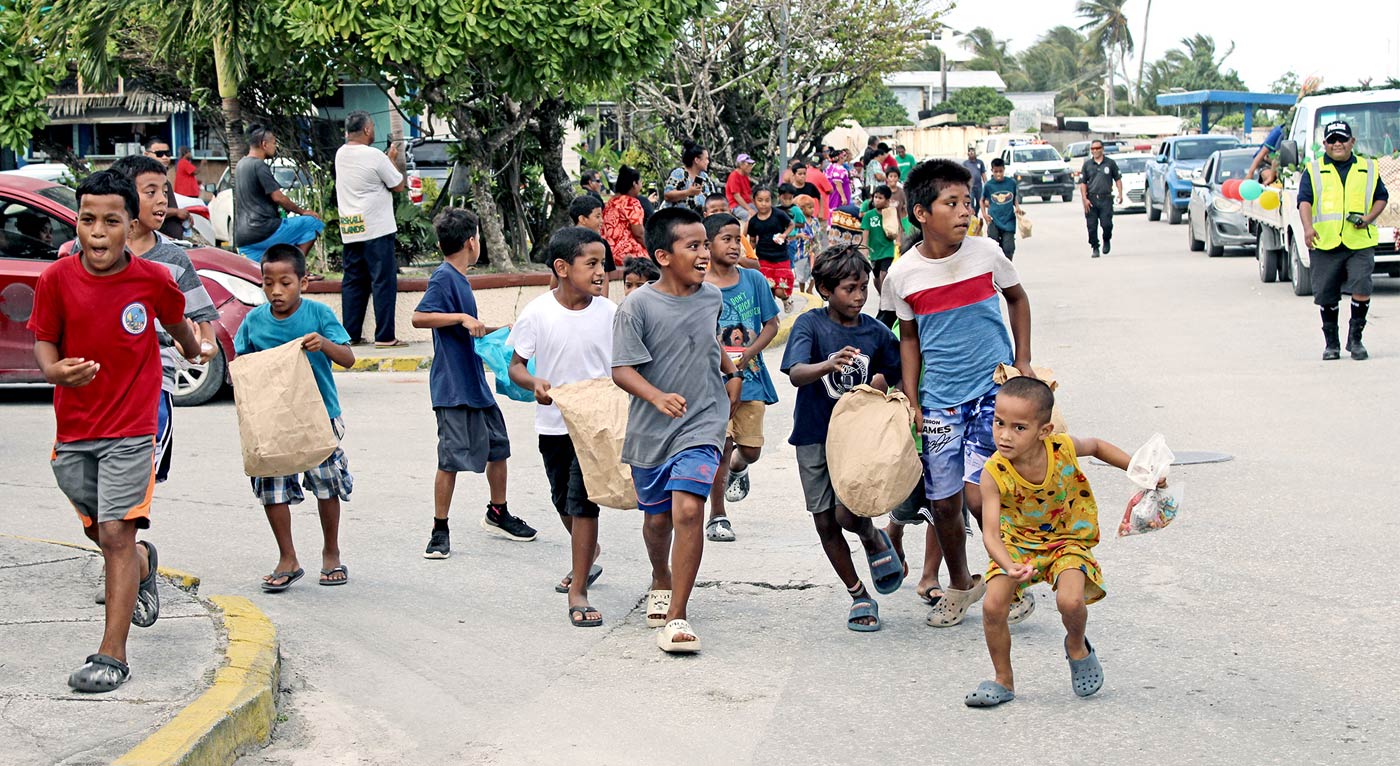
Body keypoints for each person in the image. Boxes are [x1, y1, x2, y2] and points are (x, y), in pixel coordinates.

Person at [28, 170, 201, 692]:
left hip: (132, 424)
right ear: (75, 224)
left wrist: (196, 351)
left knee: (113, 532)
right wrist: (55, 371)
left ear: (132, 226)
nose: (98, 232)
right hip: (75, 428)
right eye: (87, 220)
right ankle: (144, 563)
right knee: (103, 533)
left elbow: (177, 323)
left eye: (110, 221)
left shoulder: (152, 279)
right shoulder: (55, 279)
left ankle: (112, 656)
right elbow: (44, 341)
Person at [879, 159, 1035, 629]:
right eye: (952, 203)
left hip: (993, 393)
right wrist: (911, 397)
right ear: (921, 213)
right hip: (940, 402)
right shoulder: (903, 275)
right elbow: (907, 338)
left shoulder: (987, 253)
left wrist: (1023, 361)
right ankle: (961, 582)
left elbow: (1018, 299)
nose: (964, 212)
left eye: (967, 202)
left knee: (978, 495)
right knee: (942, 501)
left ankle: (1007, 579)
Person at [611, 207, 744, 654]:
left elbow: (709, 341)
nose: (704, 253)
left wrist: (732, 375)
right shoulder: (636, 306)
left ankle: (678, 615)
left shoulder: (711, 297)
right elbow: (621, 369)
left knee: (689, 511)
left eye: (705, 244)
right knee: (656, 521)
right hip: (652, 428)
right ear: (664, 256)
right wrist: (655, 396)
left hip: (703, 421)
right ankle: (659, 575)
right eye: (694, 246)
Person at [964, 377, 1144, 707]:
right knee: (992, 606)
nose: (1004, 435)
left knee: (1071, 602)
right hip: (1017, 544)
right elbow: (990, 533)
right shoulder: (994, 472)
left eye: (1019, 428)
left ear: (1043, 431)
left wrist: (1138, 468)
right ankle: (1003, 679)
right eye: (999, 422)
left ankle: (1076, 646)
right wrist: (1007, 564)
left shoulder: (1060, 447)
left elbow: (1098, 446)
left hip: (1065, 539)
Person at [780, 244, 907, 631]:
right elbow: (796, 372)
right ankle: (858, 594)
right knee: (824, 520)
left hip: (858, 440)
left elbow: (899, 370)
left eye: (864, 287)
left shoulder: (876, 332)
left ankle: (871, 537)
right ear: (823, 288)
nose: (859, 296)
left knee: (849, 511)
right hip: (814, 435)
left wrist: (899, 405)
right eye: (849, 288)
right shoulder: (810, 325)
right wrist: (827, 364)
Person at [412, 209, 538, 557]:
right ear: (472, 242)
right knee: (450, 459)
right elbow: (419, 317)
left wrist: (501, 329)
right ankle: (439, 529)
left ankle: (498, 512)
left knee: (498, 448)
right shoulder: (444, 277)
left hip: (474, 384)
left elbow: (470, 332)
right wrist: (462, 316)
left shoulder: (459, 279)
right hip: (452, 387)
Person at [508, 227, 616, 627]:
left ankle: (579, 588)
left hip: (596, 426)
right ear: (563, 268)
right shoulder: (538, 312)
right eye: (592, 264)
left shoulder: (609, 313)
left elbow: (625, 366)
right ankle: (588, 553)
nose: (601, 272)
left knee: (582, 500)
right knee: (561, 500)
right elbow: (516, 366)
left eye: (603, 264)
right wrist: (534, 382)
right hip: (553, 422)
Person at [235, 244, 355, 591]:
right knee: (271, 487)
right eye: (268, 282)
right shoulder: (254, 322)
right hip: (271, 419)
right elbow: (244, 368)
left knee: (326, 483)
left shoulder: (318, 315)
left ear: (303, 282)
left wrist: (324, 345)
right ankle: (287, 556)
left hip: (318, 416)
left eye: (285, 283)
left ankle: (331, 552)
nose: (275, 291)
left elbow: (348, 358)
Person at [109, 155, 219, 485]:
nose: (162, 200)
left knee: (141, 479)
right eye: (151, 191)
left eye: (165, 191)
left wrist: (206, 344)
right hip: (103, 384)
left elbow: (202, 317)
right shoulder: (93, 252)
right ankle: (129, 539)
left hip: (155, 384)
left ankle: (129, 536)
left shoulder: (173, 257)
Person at [703, 213, 781, 543]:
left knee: (749, 449)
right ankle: (717, 516)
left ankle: (739, 467)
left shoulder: (754, 281)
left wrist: (748, 354)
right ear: (707, 246)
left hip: (750, 379)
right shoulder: (699, 285)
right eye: (727, 239)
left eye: (739, 239)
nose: (735, 245)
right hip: (711, 383)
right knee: (720, 445)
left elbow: (772, 325)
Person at [1298, 120, 1389, 361]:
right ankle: (1332, 344)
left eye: (1342, 139)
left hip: (1359, 241)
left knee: (1361, 286)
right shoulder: (1314, 170)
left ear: (1352, 142)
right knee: (1327, 295)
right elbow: (1304, 201)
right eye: (1332, 140)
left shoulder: (1368, 168)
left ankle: (1355, 339)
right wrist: (1308, 228)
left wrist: (1369, 218)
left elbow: (1381, 197)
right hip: (1325, 241)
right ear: (1325, 144)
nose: (1338, 144)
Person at [335, 111, 407, 348]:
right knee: (382, 282)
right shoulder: (375, 156)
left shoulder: (341, 154)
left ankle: (350, 334)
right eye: (373, 127)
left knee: (354, 281)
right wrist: (392, 160)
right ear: (367, 130)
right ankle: (385, 336)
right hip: (377, 228)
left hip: (351, 227)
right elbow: (397, 185)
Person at [234, 125, 324, 262]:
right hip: (264, 230)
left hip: (243, 236)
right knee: (313, 223)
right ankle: (296, 268)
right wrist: (302, 211)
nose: (275, 147)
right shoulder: (259, 165)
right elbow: (278, 197)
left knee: (258, 275)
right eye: (274, 143)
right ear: (264, 144)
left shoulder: (241, 165)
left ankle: (285, 269)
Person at [746, 187, 796, 306]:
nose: (764, 204)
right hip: (763, 258)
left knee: (779, 291)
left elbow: (791, 224)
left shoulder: (778, 214)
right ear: (754, 201)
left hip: (781, 257)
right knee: (766, 290)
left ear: (771, 201)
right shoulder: (753, 222)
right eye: (760, 200)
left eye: (767, 200)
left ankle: (786, 299)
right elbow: (752, 241)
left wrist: (784, 235)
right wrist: (748, 255)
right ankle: (772, 316)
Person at [1077, 140, 1123, 258]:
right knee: (1091, 226)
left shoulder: (1110, 163)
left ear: (1102, 149)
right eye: (1092, 149)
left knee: (1106, 224)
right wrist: (1084, 199)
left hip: (1106, 198)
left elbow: (1117, 179)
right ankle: (1095, 247)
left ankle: (1106, 239)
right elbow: (1082, 183)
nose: (1095, 151)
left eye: (1097, 148)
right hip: (1091, 199)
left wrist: (1120, 194)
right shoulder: (1087, 165)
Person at [143, 138, 189, 240]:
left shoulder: (166, 182)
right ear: (146, 155)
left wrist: (182, 214)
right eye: (159, 154)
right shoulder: (143, 182)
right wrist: (176, 212)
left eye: (167, 153)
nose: (164, 157)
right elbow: (145, 211)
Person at [602, 165, 649, 265]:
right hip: (626, 254)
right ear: (634, 183)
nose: (641, 186)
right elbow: (639, 234)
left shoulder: (610, 202)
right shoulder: (631, 203)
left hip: (607, 253)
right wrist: (652, 249)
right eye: (640, 182)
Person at [982, 158, 1023, 260]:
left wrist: (1017, 207)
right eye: (996, 172)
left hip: (1008, 220)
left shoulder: (1011, 183)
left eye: (1000, 171)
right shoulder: (989, 185)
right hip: (994, 220)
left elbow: (1014, 198)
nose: (998, 174)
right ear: (992, 171)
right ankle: (996, 269)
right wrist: (984, 215)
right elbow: (981, 200)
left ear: (1004, 169)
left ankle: (1007, 268)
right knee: (993, 246)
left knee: (1008, 248)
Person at [663, 140, 717, 213]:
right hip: (679, 219)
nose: (708, 162)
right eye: (706, 159)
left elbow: (713, 197)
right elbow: (667, 195)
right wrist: (688, 192)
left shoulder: (705, 177)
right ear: (697, 160)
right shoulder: (679, 173)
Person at [861, 185, 897, 294]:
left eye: (880, 198)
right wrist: (864, 248)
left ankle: (886, 298)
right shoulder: (868, 215)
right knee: (876, 277)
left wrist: (898, 241)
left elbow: (897, 228)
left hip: (887, 249)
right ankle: (882, 296)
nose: (876, 200)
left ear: (887, 201)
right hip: (874, 251)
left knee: (884, 273)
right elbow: (865, 233)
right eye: (875, 197)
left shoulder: (891, 213)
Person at [568, 194, 614, 272]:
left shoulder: (602, 244)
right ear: (582, 219)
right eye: (597, 216)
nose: (602, 221)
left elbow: (605, 278)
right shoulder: (565, 243)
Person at [725, 154, 758, 221]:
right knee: (750, 217)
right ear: (741, 165)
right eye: (748, 164)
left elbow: (749, 195)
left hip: (747, 204)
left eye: (751, 164)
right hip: (736, 206)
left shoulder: (745, 176)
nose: (751, 166)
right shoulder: (734, 176)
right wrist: (749, 209)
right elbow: (737, 196)